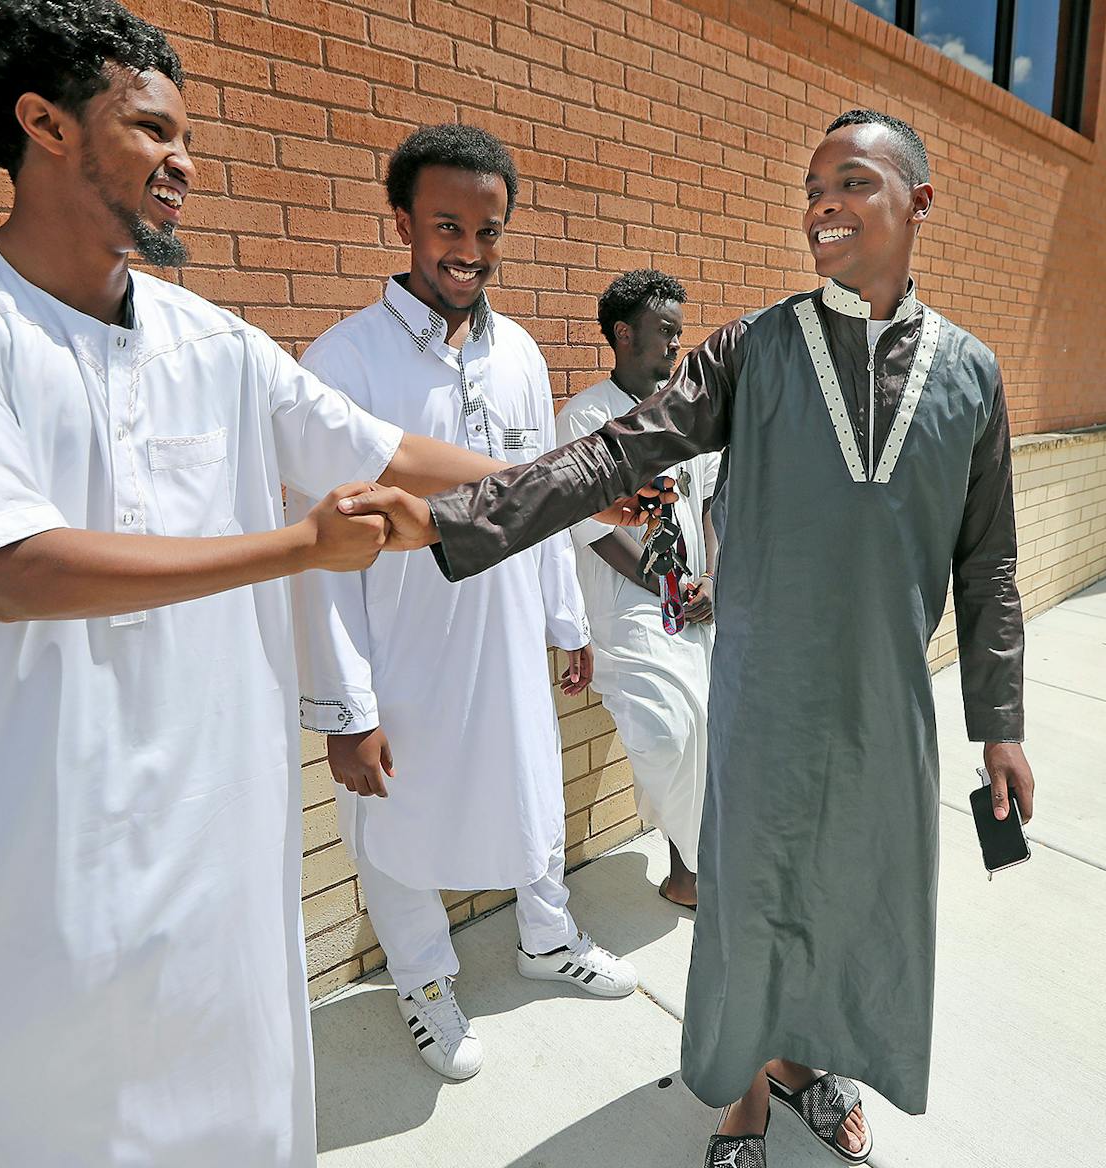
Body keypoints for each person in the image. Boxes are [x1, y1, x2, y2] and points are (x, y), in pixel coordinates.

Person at [0, 4, 528, 1164]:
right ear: (43, 123)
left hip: (200, 882)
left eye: (188, 135)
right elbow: (11, 567)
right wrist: (295, 548)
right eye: (151, 128)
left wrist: (588, 479)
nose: (185, 159)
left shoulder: (208, 340)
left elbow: (382, 454)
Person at [345, 110, 1037, 1167]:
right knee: (752, 901)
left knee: (853, 904)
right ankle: (744, 1097)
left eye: (850, 182)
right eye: (811, 186)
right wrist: (452, 519)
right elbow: (611, 453)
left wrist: (998, 724)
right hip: (757, 697)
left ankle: (813, 1063)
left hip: (884, 711)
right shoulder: (751, 351)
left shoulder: (969, 376)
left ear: (918, 204)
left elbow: (984, 559)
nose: (820, 204)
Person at [288, 125, 637, 1082]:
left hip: (512, 639)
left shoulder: (520, 351)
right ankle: (426, 982)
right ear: (401, 222)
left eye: (489, 230)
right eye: (448, 225)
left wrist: (566, 622)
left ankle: (547, 938)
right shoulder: (343, 363)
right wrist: (346, 711)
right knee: (397, 827)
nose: (470, 250)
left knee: (530, 793)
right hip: (404, 650)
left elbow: (546, 497)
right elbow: (323, 557)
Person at [556, 269, 721, 910]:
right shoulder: (583, 419)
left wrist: (711, 577)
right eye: (665, 332)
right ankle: (695, 861)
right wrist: (668, 582)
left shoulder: (685, 415)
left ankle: (690, 875)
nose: (678, 344)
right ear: (624, 335)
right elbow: (587, 527)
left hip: (696, 606)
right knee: (664, 734)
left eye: (681, 332)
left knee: (704, 734)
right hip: (628, 610)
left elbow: (709, 499)